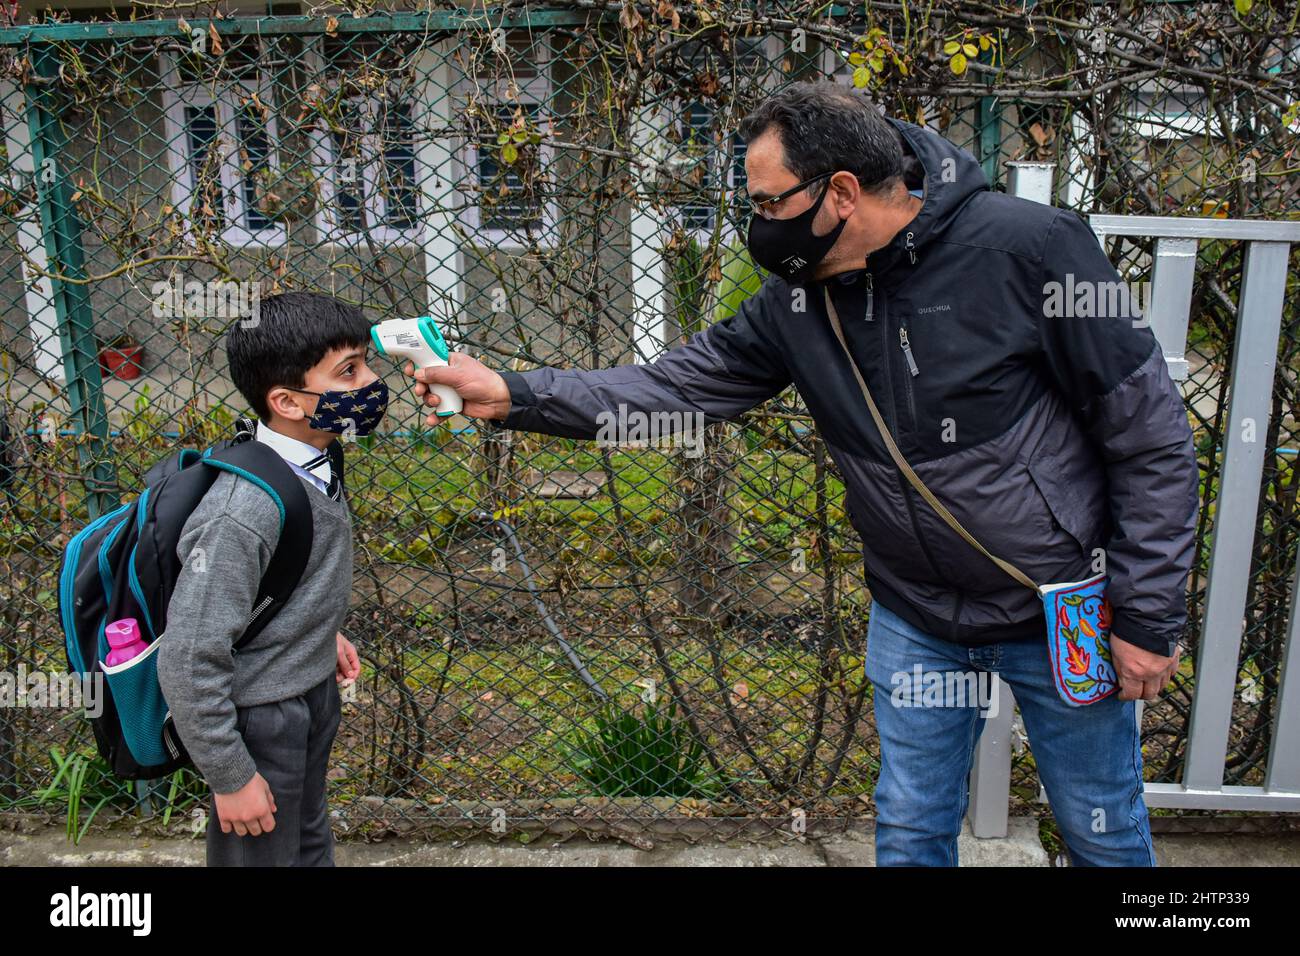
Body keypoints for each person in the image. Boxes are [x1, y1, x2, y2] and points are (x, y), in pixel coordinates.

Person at [407, 82, 1197, 866]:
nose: (760, 224)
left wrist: (1147, 617)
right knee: (913, 828)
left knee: (1102, 831)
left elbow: (1150, 439)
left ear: (842, 193)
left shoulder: (1030, 249)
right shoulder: (797, 298)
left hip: (1060, 610)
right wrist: (513, 395)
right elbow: (677, 390)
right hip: (917, 617)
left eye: (771, 202)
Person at [157, 291, 369, 865]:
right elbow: (188, 654)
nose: (372, 383)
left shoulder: (317, 460)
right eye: (349, 371)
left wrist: (316, 631)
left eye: (366, 362)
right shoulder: (241, 512)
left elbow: (284, 582)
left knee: (306, 840)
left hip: (308, 691)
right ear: (288, 402)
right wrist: (229, 776)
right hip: (258, 718)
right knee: (262, 857)